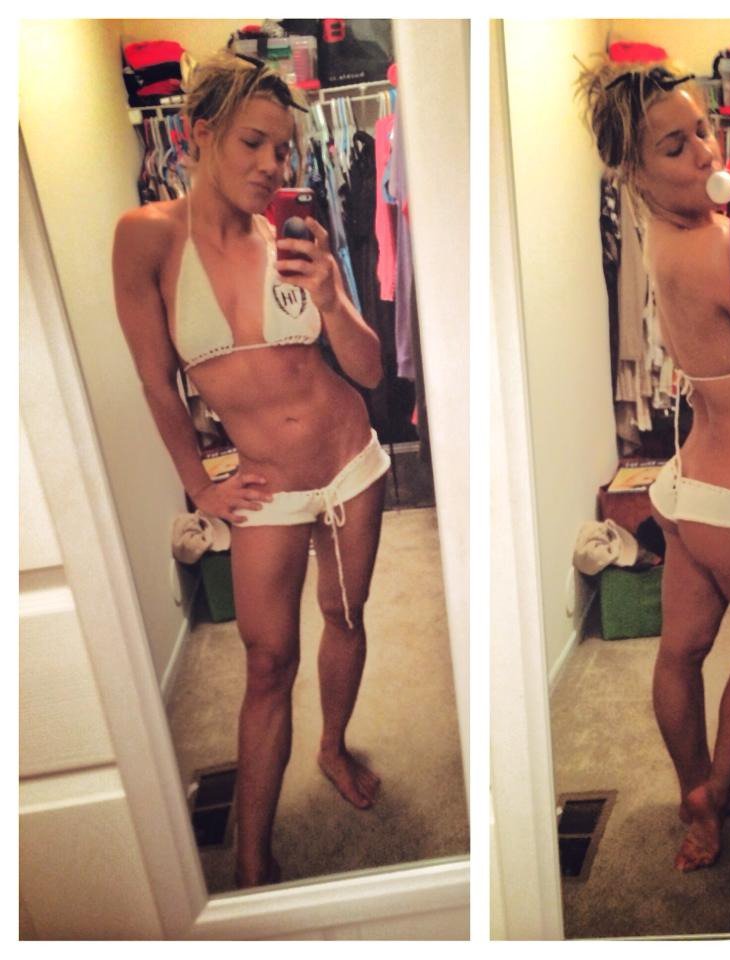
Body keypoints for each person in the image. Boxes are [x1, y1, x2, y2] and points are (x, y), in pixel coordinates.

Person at [112, 52, 390, 888]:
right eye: (253, 143)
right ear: (199, 134)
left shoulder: (292, 238)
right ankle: (251, 855)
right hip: (265, 488)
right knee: (268, 663)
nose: (272, 165)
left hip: (350, 463)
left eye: (283, 149)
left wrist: (333, 299)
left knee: (345, 614)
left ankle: (333, 746)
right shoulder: (146, 238)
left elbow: (369, 372)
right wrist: (201, 485)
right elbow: (155, 381)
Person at [578, 59, 730, 872]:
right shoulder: (721, 246)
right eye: (675, 147)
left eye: (702, 131)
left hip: (685, 487)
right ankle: (716, 796)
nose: (704, 153)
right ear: (634, 172)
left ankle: (696, 792)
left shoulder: (665, 238)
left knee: (680, 650)